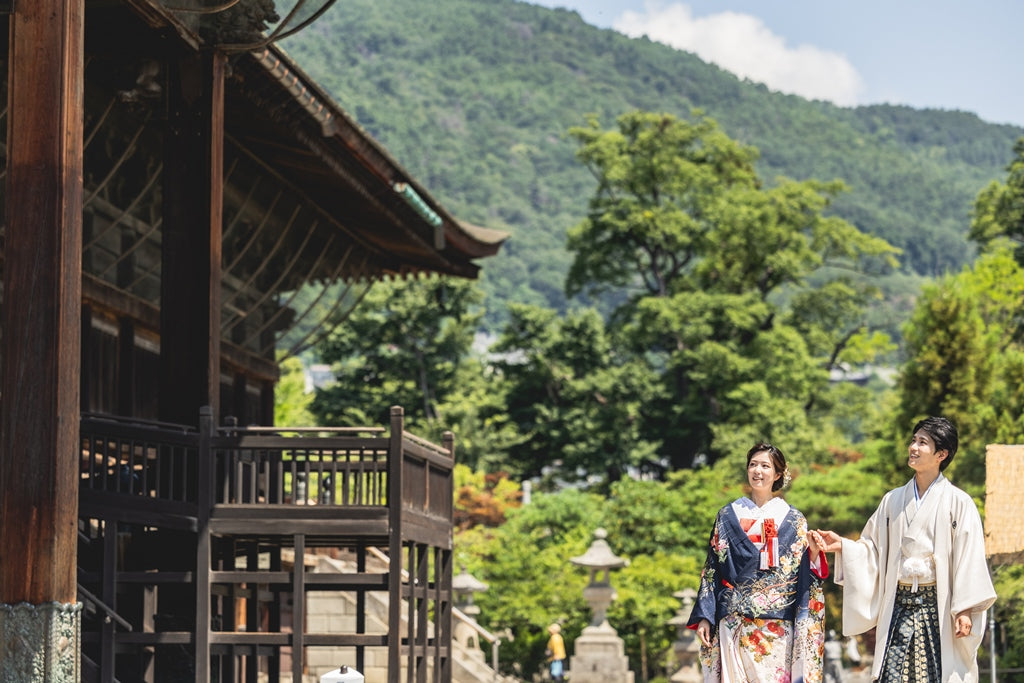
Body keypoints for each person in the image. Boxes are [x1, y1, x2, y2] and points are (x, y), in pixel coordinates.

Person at [818, 416, 997, 683]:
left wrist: (964, 609)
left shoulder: (959, 502)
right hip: (899, 606)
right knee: (892, 673)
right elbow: (872, 549)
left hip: (937, 607)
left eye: (922, 442)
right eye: (913, 440)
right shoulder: (893, 500)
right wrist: (844, 546)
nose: (913, 447)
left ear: (941, 454)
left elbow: (968, 557)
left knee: (936, 674)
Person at [687, 442, 828, 683]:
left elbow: (806, 573)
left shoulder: (794, 519)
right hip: (734, 620)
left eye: (765, 466)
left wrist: (813, 553)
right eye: (753, 465)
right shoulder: (727, 515)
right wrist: (705, 615)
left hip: (777, 625)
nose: (758, 471)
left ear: (778, 474)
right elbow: (712, 567)